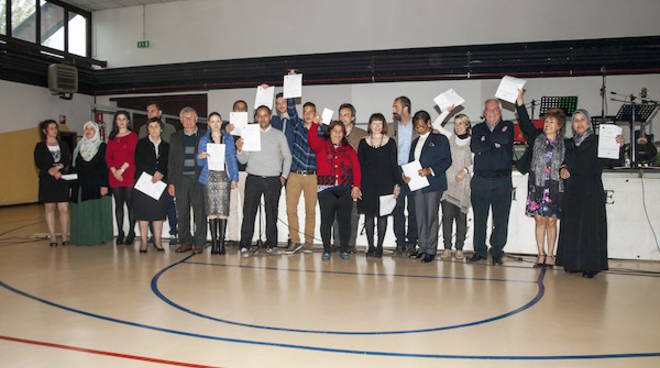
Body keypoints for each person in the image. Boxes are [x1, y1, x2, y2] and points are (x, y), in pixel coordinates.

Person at [556, 109, 624, 278]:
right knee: (572, 227)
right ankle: (573, 263)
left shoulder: (598, 141)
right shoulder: (569, 143)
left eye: (583, 120)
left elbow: (615, 161)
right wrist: (563, 169)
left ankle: (591, 265)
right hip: (572, 191)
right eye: (576, 120)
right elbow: (564, 163)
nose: (579, 123)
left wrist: (619, 146)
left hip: (591, 190)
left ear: (588, 123)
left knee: (590, 229)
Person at [516, 90, 566, 268]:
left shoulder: (565, 144)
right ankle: (540, 254)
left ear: (559, 125)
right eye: (546, 121)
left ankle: (551, 255)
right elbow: (524, 121)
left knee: (551, 221)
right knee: (539, 220)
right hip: (537, 185)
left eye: (551, 122)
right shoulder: (537, 137)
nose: (547, 124)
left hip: (554, 186)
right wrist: (520, 102)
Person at [236, 105, 292, 255]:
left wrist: (284, 176)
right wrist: (240, 150)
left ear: (270, 116)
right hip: (253, 178)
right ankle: (245, 245)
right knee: (248, 212)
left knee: (271, 213)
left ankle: (271, 244)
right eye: (259, 116)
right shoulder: (249, 134)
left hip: (273, 179)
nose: (262, 118)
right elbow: (242, 160)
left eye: (265, 115)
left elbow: (288, 157)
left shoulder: (279, 135)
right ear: (255, 118)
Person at [274, 74, 318, 253]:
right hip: (294, 174)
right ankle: (295, 240)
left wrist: (319, 124)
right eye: (305, 112)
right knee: (290, 209)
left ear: (315, 114)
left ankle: (308, 242)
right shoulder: (297, 124)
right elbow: (290, 106)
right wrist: (291, 80)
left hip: (312, 176)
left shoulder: (322, 130)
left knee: (310, 211)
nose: (307, 114)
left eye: (310, 112)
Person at [467, 99, 514, 266]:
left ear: (500, 112)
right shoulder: (478, 128)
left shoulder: (509, 126)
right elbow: (475, 147)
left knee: (501, 219)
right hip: (480, 180)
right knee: (480, 218)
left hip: (502, 181)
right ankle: (479, 251)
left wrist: (485, 140)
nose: (492, 113)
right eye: (488, 110)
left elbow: (504, 140)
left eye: (495, 110)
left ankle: (497, 252)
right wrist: (493, 142)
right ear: (484, 113)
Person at [402, 111, 452, 263]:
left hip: (433, 184)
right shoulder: (415, 142)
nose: (419, 129)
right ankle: (422, 247)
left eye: (422, 126)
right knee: (420, 217)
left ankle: (431, 249)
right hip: (417, 184)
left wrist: (430, 170)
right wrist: (405, 175)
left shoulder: (440, 139)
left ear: (429, 123)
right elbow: (409, 162)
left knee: (431, 216)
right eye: (417, 127)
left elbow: (447, 160)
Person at [308, 119, 362, 261]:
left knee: (345, 222)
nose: (337, 134)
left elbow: (356, 168)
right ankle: (326, 249)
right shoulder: (321, 144)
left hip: (345, 190)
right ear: (329, 132)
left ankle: (344, 249)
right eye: (334, 131)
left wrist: (356, 186)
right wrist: (314, 124)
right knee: (326, 221)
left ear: (344, 134)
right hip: (326, 190)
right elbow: (311, 139)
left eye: (340, 132)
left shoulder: (349, 149)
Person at [357, 113, 399, 258]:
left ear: (384, 126)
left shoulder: (391, 142)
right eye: (374, 123)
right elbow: (359, 167)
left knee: (383, 216)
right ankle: (371, 246)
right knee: (368, 217)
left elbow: (394, 165)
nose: (376, 126)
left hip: (386, 184)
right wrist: (357, 185)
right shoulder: (363, 143)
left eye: (379, 123)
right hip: (367, 185)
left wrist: (397, 184)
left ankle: (380, 246)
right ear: (369, 125)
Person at [196, 112, 238, 255]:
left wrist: (234, 178)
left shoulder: (228, 138)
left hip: (224, 177)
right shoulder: (203, 139)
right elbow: (199, 162)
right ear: (208, 123)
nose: (215, 124)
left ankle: (221, 242)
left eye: (218, 121)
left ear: (222, 123)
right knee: (212, 210)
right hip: (209, 177)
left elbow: (232, 159)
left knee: (223, 210)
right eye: (212, 121)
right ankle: (214, 243)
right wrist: (201, 157)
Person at [168, 107, 206, 254]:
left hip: (199, 179)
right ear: (181, 120)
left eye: (190, 118)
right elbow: (171, 161)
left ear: (196, 119)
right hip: (181, 179)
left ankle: (199, 242)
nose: (188, 121)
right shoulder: (174, 137)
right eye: (184, 118)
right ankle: (185, 241)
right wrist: (171, 182)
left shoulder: (204, 136)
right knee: (182, 212)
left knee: (200, 212)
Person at [70, 121, 113, 246]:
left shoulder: (102, 146)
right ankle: (81, 238)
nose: (88, 131)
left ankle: (96, 237)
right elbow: (74, 168)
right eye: (86, 129)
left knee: (94, 212)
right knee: (82, 213)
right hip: (81, 185)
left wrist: (105, 185)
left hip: (97, 185)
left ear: (96, 132)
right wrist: (72, 186)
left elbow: (105, 167)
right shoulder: (78, 147)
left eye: (91, 129)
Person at [140, 103, 178, 246]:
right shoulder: (143, 129)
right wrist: (150, 174)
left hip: (165, 173)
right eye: (148, 111)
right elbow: (142, 153)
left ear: (160, 112)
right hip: (149, 176)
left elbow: (170, 152)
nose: (150, 113)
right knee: (150, 205)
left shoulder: (170, 129)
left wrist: (162, 172)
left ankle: (174, 232)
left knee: (169, 204)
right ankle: (152, 235)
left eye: (153, 110)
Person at [332, 103, 366, 253]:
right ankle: (337, 242)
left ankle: (350, 244)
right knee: (336, 213)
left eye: (346, 115)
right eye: (340, 115)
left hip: (354, 181)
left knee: (353, 214)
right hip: (336, 180)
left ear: (353, 117)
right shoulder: (333, 133)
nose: (342, 118)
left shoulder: (362, 134)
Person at [133, 117, 170, 252]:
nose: (154, 129)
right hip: (144, 183)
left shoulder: (166, 146)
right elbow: (138, 161)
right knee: (143, 213)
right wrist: (152, 174)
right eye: (151, 127)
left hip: (160, 183)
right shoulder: (141, 144)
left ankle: (158, 241)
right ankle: (143, 242)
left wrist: (161, 173)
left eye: (156, 126)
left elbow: (168, 163)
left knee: (158, 213)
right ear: (147, 129)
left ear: (161, 129)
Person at [34, 119, 72, 247]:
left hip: (61, 179)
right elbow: (39, 162)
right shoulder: (40, 146)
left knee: (64, 208)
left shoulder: (63, 144)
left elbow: (67, 159)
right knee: (49, 208)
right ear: (45, 131)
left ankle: (65, 236)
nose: (54, 130)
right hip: (47, 180)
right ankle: (53, 237)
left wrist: (58, 168)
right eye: (51, 128)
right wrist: (51, 170)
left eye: (55, 128)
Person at [440, 113, 473, 260]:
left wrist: (465, 171)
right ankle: (447, 248)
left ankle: (459, 248)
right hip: (448, 184)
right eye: (456, 123)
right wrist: (447, 110)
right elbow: (436, 125)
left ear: (467, 126)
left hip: (464, 184)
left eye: (461, 123)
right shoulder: (449, 138)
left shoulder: (473, 142)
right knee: (447, 217)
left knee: (461, 218)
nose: (458, 126)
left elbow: (476, 162)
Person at [389, 96, 418, 256]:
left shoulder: (418, 125)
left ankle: (412, 243)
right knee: (397, 208)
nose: (393, 110)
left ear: (406, 109)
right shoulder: (390, 127)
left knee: (413, 209)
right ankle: (400, 243)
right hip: (397, 170)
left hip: (414, 171)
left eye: (396, 107)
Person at [105, 111, 138, 245]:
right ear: (116, 122)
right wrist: (114, 171)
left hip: (128, 173)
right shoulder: (112, 137)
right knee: (118, 205)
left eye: (124, 119)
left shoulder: (133, 136)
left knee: (130, 205)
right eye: (119, 119)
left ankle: (131, 232)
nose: (122, 121)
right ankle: (120, 232)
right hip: (115, 176)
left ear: (128, 121)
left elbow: (132, 154)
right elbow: (108, 157)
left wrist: (121, 170)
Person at [224, 100, 249, 247]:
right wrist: (225, 132)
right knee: (231, 207)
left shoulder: (251, 127)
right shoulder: (225, 128)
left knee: (247, 207)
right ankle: (233, 238)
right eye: (237, 109)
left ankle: (246, 238)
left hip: (247, 172)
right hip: (230, 173)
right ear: (232, 111)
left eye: (243, 109)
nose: (240, 111)